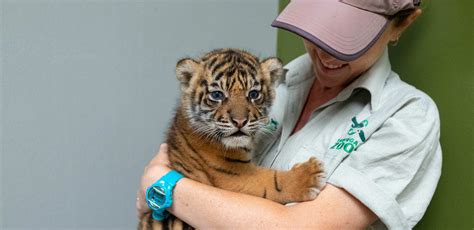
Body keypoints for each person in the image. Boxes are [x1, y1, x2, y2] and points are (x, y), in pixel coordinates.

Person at [136, 0, 442, 228]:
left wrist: (162, 184)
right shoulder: (275, 79)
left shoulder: (406, 116)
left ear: (401, 25)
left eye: (348, 36)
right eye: (319, 26)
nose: (325, 51)